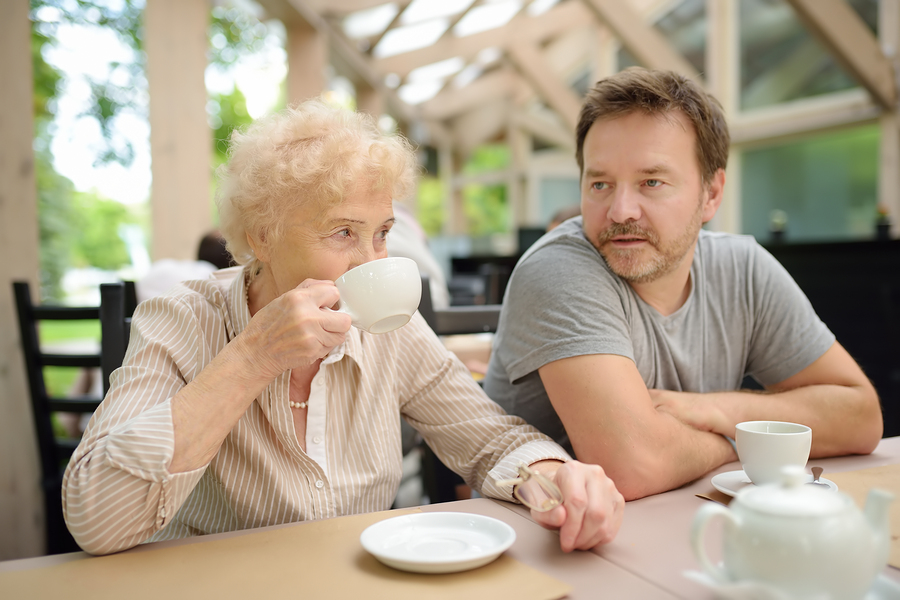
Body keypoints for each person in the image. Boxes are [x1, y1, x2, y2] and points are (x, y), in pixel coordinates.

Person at [62, 99, 623, 556]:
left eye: (380, 233)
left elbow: (490, 438)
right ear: (261, 236)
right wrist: (250, 359)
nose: (371, 261)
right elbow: (95, 516)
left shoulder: (387, 328)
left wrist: (554, 475)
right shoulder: (182, 319)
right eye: (341, 234)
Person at [483, 67, 883, 501]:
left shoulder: (742, 268)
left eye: (651, 182)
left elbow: (861, 417)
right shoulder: (558, 268)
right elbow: (633, 465)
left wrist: (717, 410)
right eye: (600, 183)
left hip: (687, 524)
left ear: (711, 193)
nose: (620, 211)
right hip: (542, 539)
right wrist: (747, 443)